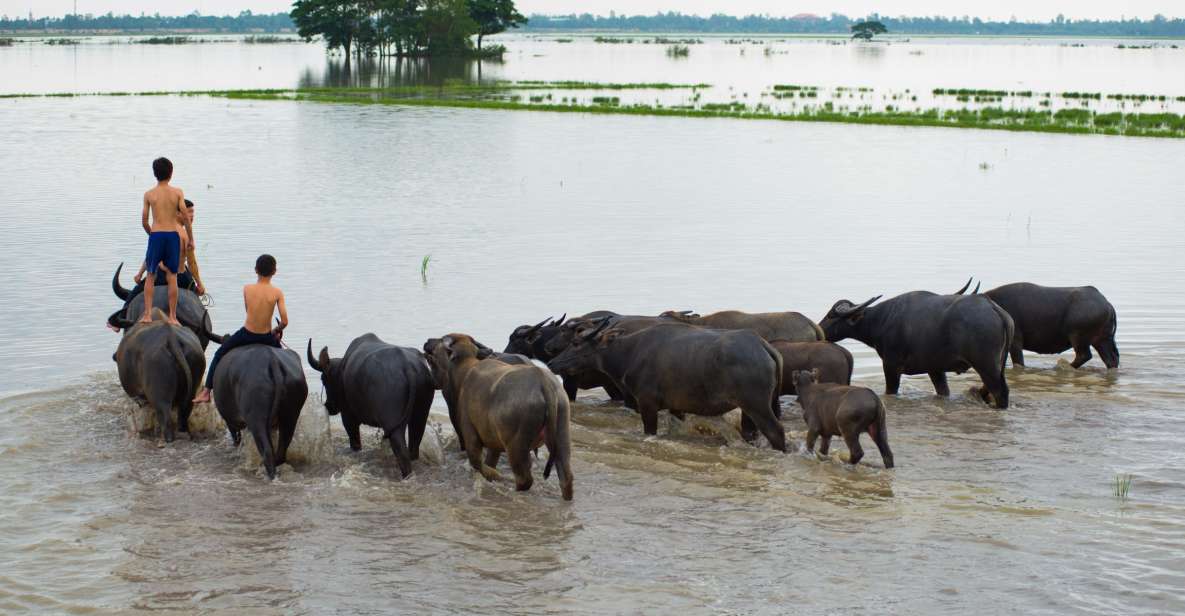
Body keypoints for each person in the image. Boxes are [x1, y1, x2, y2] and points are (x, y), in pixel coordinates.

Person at [193, 254, 288, 404]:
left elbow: (249, 311)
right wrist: (275, 330)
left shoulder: (247, 289)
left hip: (247, 334)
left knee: (218, 354)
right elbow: (285, 321)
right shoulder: (277, 293)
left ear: (256, 270)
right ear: (274, 271)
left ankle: (206, 392)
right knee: (286, 362)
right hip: (267, 337)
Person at [140, 157, 186, 325]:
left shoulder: (149, 194)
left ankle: (147, 314)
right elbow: (185, 217)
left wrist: (151, 234)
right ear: (171, 173)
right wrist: (191, 237)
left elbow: (144, 220)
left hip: (157, 235)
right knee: (172, 276)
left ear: (154, 174)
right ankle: (173, 316)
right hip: (172, 235)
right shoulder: (178, 192)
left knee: (150, 275)